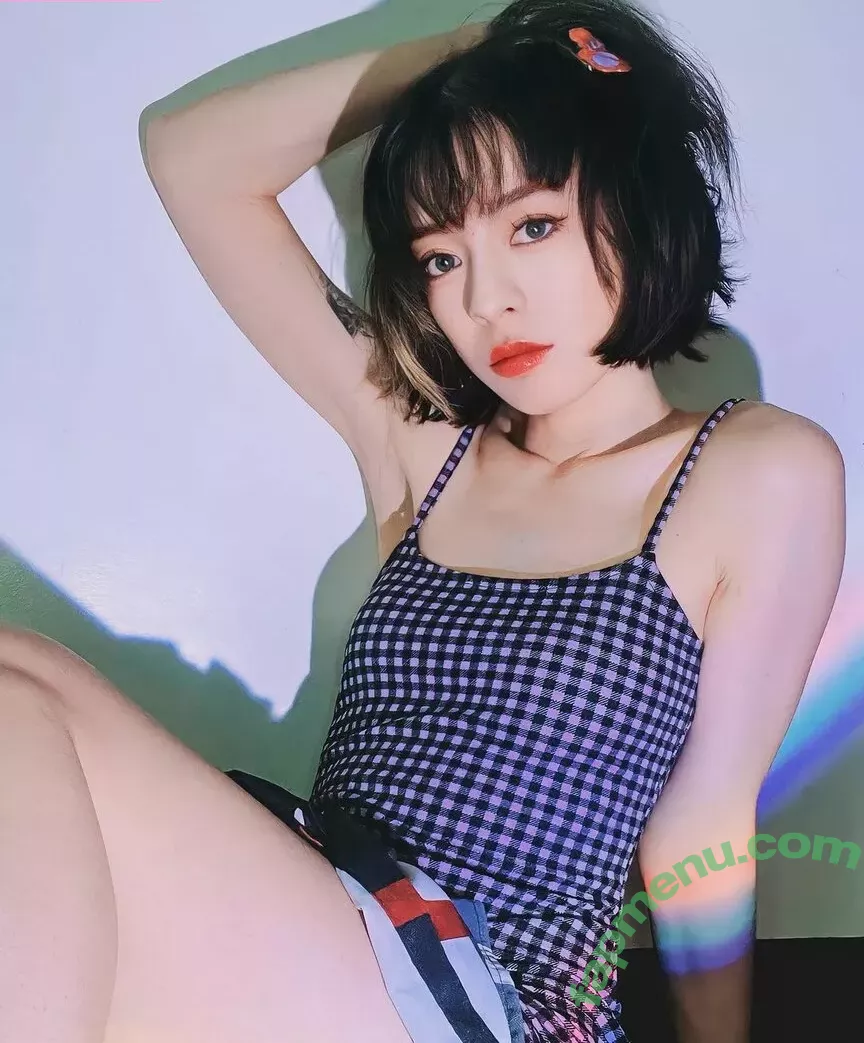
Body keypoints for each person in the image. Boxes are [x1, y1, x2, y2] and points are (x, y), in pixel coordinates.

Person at [0, 1, 845, 1043]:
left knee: (15, 683)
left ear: (637, 203)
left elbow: (700, 824)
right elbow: (191, 158)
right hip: (322, 916)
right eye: (442, 257)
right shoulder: (425, 451)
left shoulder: (754, 468)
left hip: (495, 993)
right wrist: (472, 54)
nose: (486, 300)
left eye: (531, 226)